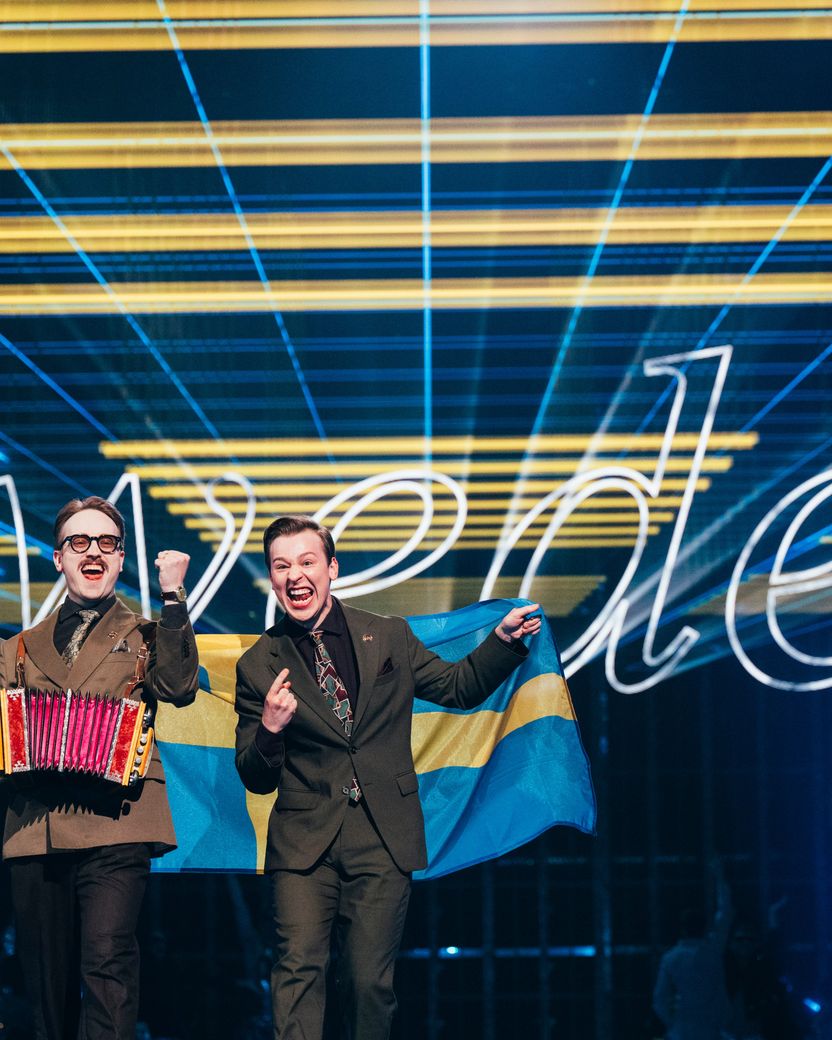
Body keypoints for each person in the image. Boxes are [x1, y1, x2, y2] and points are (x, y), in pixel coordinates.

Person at [234, 514, 541, 1040]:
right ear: (272, 578)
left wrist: (504, 642)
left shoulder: (390, 636)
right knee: (298, 973)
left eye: (307, 562)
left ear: (331, 568)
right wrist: (268, 730)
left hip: (382, 838)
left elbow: (459, 687)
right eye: (281, 566)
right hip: (304, 844)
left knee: (367, 984)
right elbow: (255, 776)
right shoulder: (259, 663)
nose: (295, 576)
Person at [0, 496, 199, 1040]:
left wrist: (174, 596)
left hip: (118, 821)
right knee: (45, 984)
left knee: (108, 961)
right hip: (34, 827)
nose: (93, 552)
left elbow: (180, 687)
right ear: (58, 559)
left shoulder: (148, 634)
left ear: (120, 559)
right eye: (79, 543)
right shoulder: (15, 649)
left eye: (107, 543)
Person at [652, 861, 733, 1040]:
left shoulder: (671, 958)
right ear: (705, 927)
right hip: (711, 1030)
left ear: (682, 928)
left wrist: (672, 1023)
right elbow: (726, 913)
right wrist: (720, 879)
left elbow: (659, 999)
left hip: (682, 1031)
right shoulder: (713, 950)